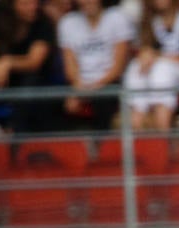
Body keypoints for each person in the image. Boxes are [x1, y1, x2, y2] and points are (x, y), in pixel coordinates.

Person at [0, 0, 58, 134]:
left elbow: (34, 62)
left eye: (35, 3)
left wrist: (7, 62)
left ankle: (15, 132)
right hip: (3, 80)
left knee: (30, 81)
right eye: (26, 4)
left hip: (36, 83)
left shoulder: (43, 24)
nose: (33, 7)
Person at [123, 0, 179, 131]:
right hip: (157, 67)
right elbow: (146, 48)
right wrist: (146, 55)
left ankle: (162, 130)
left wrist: (157, 56)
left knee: (162, 69)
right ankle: (135, 127)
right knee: (135, 66)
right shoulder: (149, 21)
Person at [57, 0, 132, 131]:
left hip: (110, 82)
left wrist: (91, 89)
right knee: (55, 101)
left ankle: (103, 148)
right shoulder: (67, 22)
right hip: (80, 84)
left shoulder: (117, 17)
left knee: (102, 101)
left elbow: (118, 68)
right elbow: (70, 68)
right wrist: (79, 87)